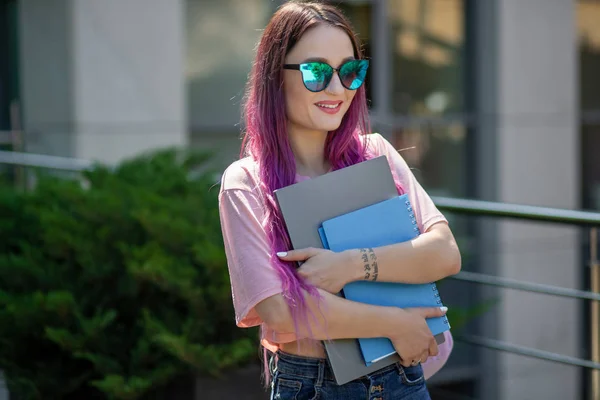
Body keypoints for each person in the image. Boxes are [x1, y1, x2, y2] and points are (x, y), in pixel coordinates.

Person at [218, 1, 461, 398]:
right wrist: (394, 323)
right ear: (274, 76)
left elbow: (445, 253)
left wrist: (349, 265)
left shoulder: (376, 153)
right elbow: (280, 311)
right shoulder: (246, 182)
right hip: (313, 383)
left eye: (350, 71)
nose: (337, 89)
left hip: (401, 375)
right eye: (316, 72)